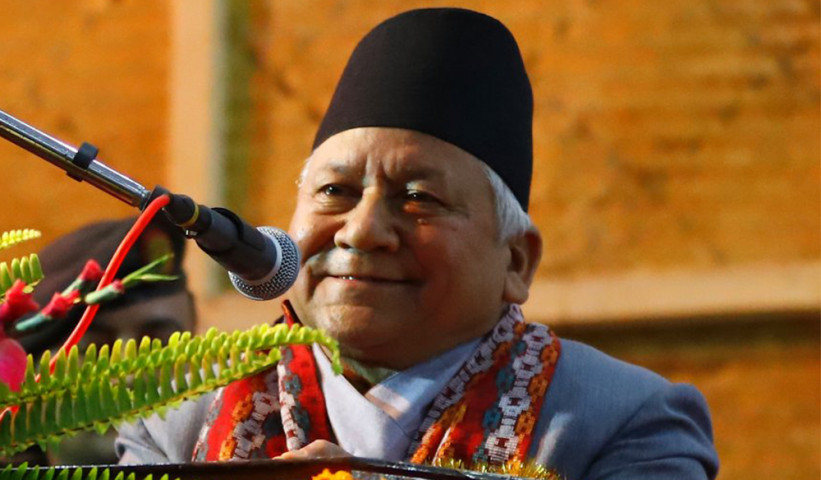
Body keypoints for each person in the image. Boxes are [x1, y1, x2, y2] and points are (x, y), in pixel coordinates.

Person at [115, 8, 719, 479]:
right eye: (335, 191)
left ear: (516, 260)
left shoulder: (619, 420)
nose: (361, 231)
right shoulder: (176, 412)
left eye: (419, 197)